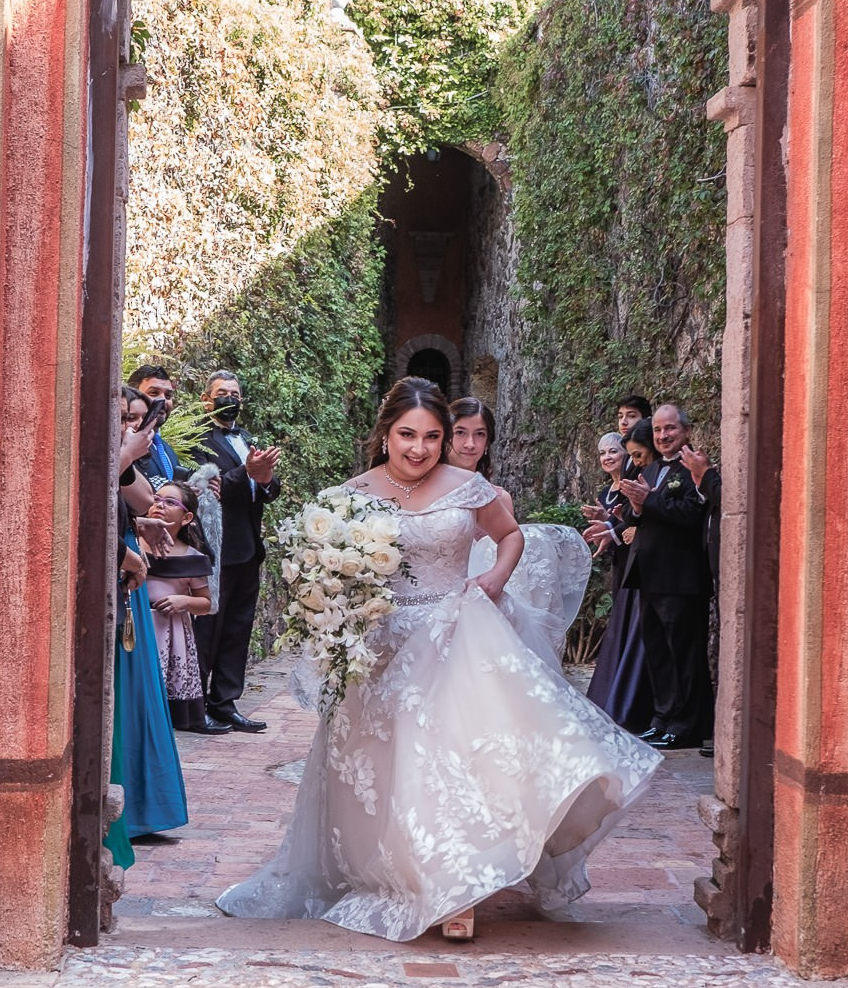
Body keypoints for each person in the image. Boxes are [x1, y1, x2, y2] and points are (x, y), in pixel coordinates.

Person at [217, 378, 660, 942]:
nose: (419, 449)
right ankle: (405, 873)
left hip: (458, 631)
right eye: (407, 435)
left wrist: (495, 580)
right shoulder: (351, 496)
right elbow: (328, 570)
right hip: (381, 645)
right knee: (393, 764)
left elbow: (510, 537)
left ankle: (458, 889)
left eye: (431, 437)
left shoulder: (469, 487)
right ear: (385, 434)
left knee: (453, 755)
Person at [103, 386, 189, 868]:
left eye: (130, 418)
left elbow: (135, 495)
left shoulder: (122, 453)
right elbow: (83, 495)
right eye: (119, 417)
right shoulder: (105, 453)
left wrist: (141, 524)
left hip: (126, 579)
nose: (127, 427)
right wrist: (124, 550)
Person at [448, 397, 591, 673]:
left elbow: (507, 552)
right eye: (461, 433)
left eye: (480, 435)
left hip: (485, 596)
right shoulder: (431, 492)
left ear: (488, 442)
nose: (470, 444)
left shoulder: (499, 498)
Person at [186, 371, 281, 734]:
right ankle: (194, 707)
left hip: (247, 547)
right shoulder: (199, 440)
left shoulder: (245, 438)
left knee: (238, 630)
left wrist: (266, 479)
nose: (230, 398)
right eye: (222, 393)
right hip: (216, 548)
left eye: (235, 393)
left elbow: (265, 488)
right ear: (206, 401)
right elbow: (203, 488)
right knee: (208, 629)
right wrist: (246, 472)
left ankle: (225, 703)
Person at [620, 402, 716, 753]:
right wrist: (632, 509)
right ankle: (662, 719)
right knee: (659, 652)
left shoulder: (693, 468)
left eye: (670, 429)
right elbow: (643, 517)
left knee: (683, 655)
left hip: (681, 577)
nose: (663, 436)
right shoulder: (653, 468)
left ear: (686, 431)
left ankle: (687, 725)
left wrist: (649, 501)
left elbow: (693, 512)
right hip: (650, 574)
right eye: (658, 430)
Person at [585, 428, 651, 732]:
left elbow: (633, 517)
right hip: (623, 560)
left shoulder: (640, 478)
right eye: (602, 453)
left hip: (643, 560)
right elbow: (622, 519)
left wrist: (617, 526)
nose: (607, 457)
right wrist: (609, 527)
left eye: (613, 451)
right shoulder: (609, 489)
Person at [145, 481, 225, 734]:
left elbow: (206, 603)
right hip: (138, 626)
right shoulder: (131, 544)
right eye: (156, 499)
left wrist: (183, 602)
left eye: (170, 502)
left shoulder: (193, 556)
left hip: (171, 634)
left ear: (187, 517)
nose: (160, 506)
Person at [128, 363, 183, 484]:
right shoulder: (125, 446)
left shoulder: (166, 450)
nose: (163, 400)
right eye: (154, 393)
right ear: (133, 395)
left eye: (168, 395)